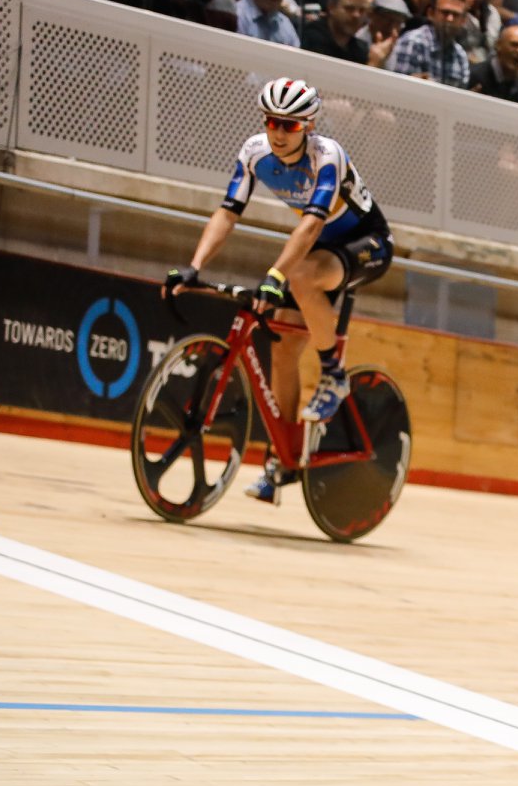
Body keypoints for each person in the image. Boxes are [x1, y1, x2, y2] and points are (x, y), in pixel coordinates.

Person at [161, 79, 394, 503]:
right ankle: (283, 463)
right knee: (283, 351)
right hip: (321, 249)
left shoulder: (328, 156)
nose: (278, 132)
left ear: (307, 126)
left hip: (368, 243)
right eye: (271, 121)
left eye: (288, 125)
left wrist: (275, 275)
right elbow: (228, 212)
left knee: (300, 276)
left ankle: (335, 376)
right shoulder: (255, 152)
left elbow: (310, 225)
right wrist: (194, 267)